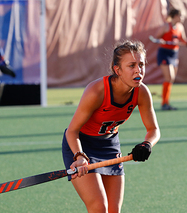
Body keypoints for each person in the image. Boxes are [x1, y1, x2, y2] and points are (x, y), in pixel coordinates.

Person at [62, 40, 160, 213]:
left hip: (109, 145)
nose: (139, 70)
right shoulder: (97, 91)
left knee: (114, 210)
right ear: (117, 70)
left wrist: (147, 144)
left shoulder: (142, 92)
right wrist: (79, 156)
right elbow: (72, 131)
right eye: (132, 65)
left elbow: (153, 130)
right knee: (99, 207)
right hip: (81, 145)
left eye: (141, 64)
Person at [153, 8, 187, 110]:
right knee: (169, 77)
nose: (182, 18)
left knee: (172, 78)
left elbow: (182, 39)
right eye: (181, 16)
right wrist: (161, 40)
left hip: (174, 53)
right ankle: (164, 103)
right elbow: (156, 38)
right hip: (164, 53)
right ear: (175, 16)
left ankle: (166, 102)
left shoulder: (180, 27)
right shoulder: (166, 26)